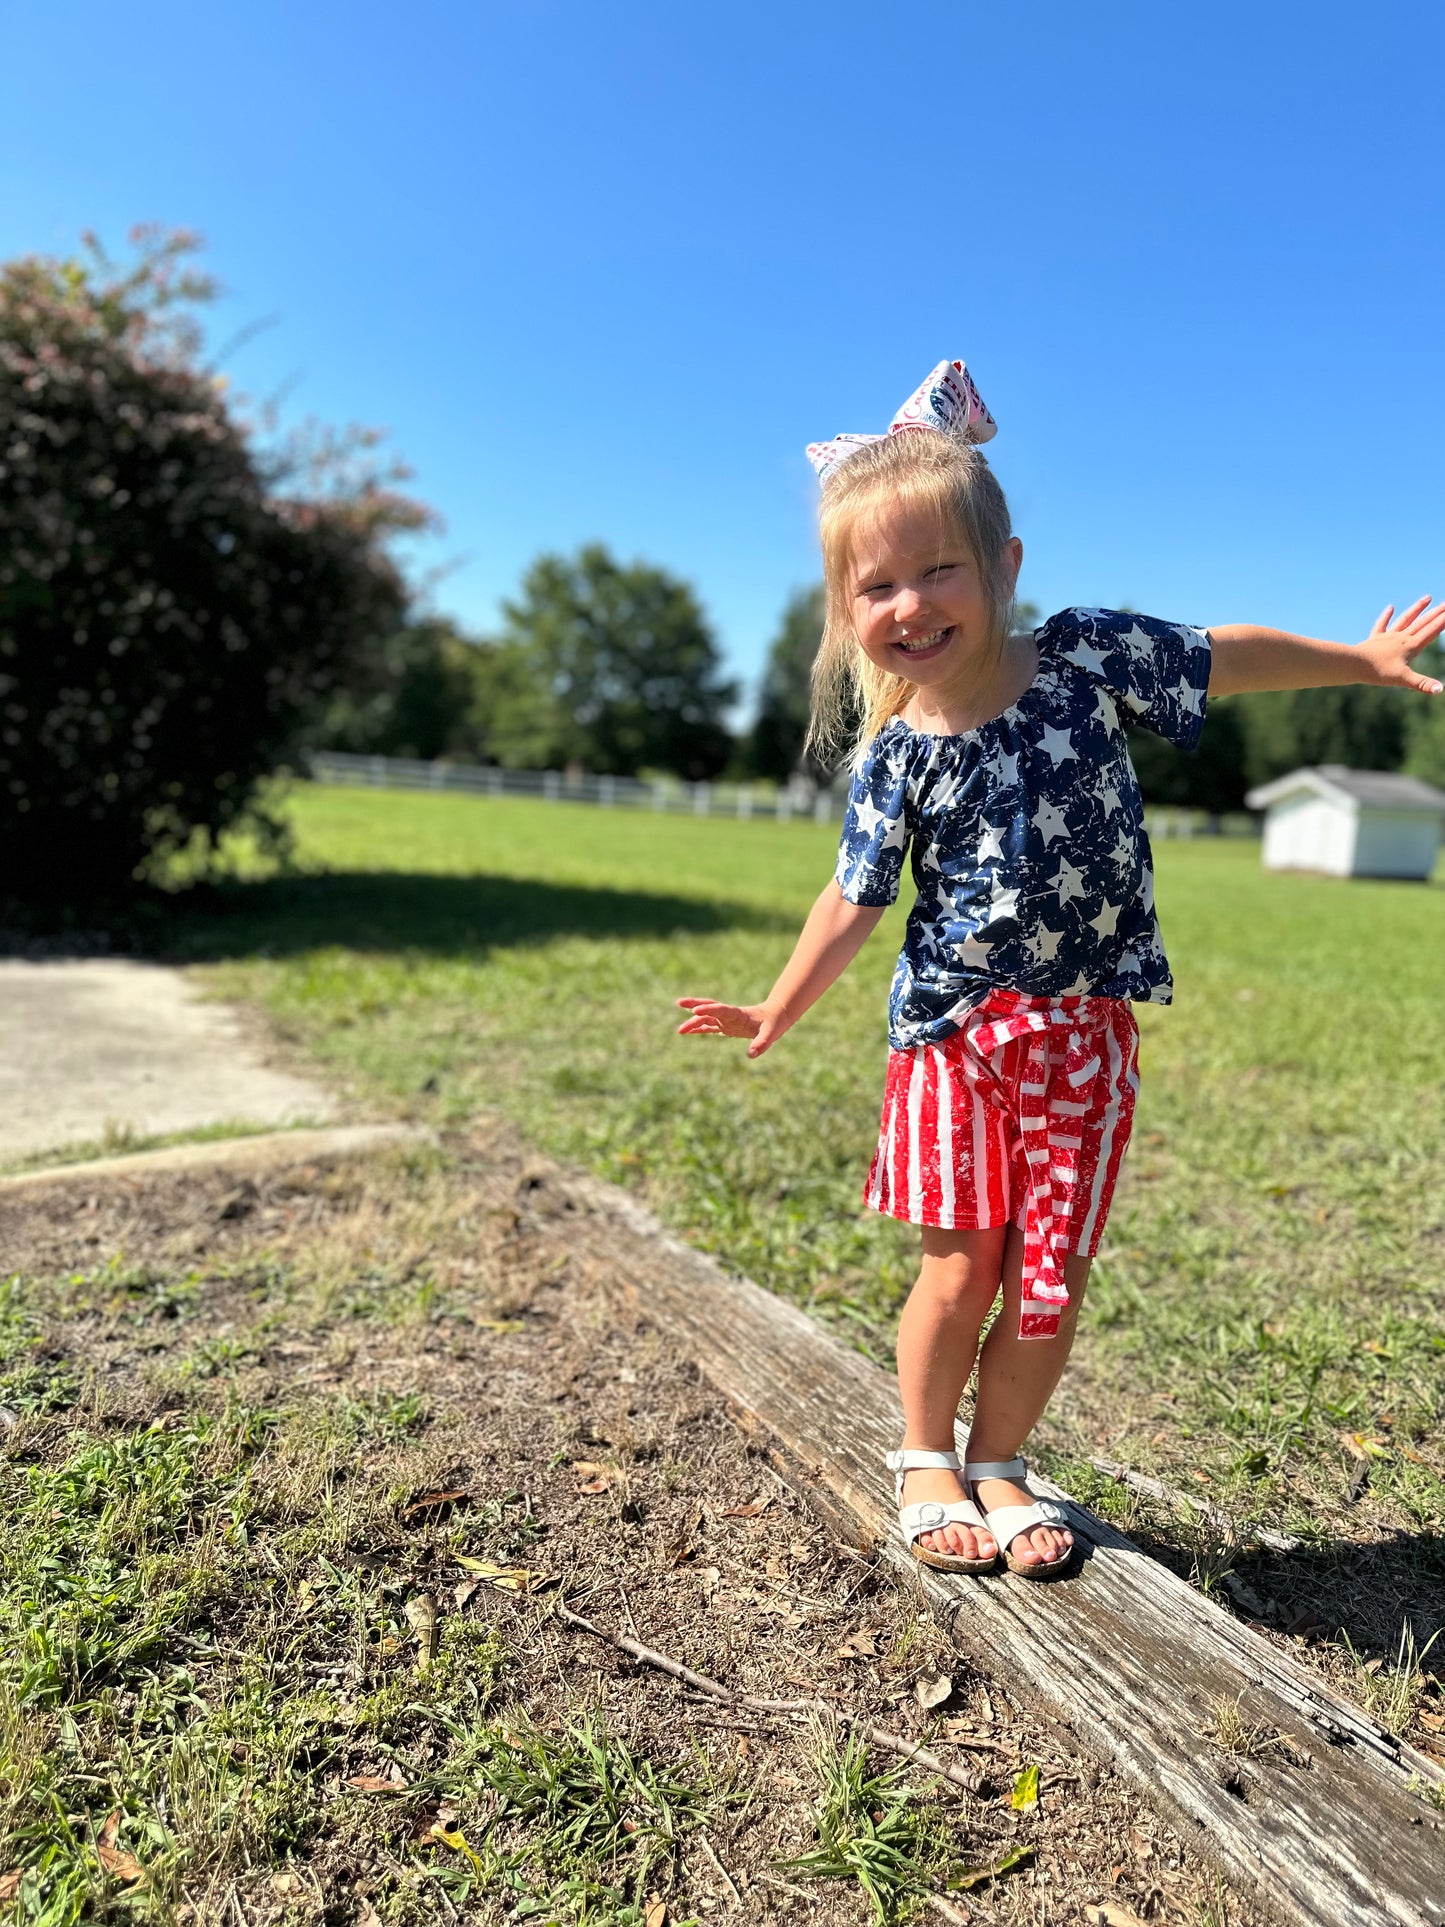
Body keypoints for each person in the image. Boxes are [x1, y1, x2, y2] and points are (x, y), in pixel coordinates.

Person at [677, 360, 1445, 1579]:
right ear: (845, 609)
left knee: (1050, 1271)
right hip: (951, 1038)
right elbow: (853, 895)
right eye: (875, 584)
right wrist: (778, 998)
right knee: (961, 1260)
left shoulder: (1083, 659)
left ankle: (1000, 1464)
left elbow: (1217, 657)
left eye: (937, 568)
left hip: (1083, 1031)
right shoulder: (895, 759)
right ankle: (923, 1454)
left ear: (1003, 570)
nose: (910, 602)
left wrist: (1355, 664)